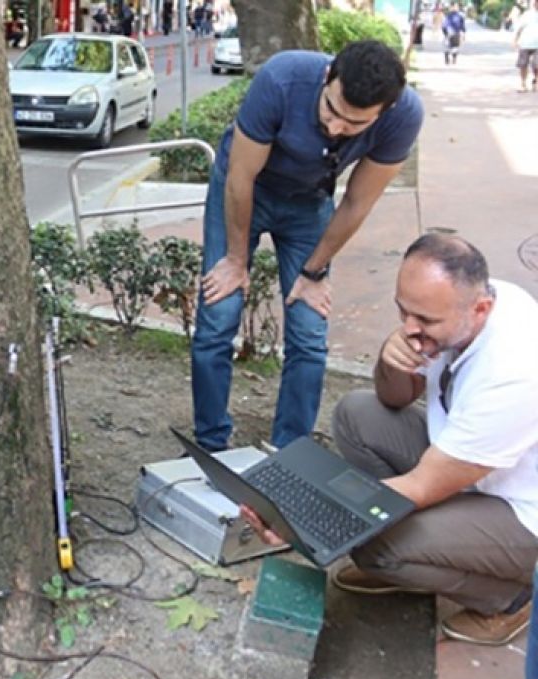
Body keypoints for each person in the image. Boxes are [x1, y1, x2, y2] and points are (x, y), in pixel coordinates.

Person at [242, 233, 538, 646]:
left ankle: (510, 599)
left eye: (425, 322)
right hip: (466, 467)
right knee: (356, 414)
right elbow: (392, 398)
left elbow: (420, 487)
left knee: (375, 547)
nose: (410, 329)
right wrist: (391, 356)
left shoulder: (515, 373)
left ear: (480, 309)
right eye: (404, 312)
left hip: (522, 516)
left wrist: (305, 519)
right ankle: (423, 552)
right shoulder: (467, 305)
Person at [190, 40, 424, 453]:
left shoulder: (403, 116)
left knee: (309, 331)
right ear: (327, 75)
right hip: (247, 187)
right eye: (331, 110)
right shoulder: (282, 78)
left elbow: (356, 201)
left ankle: (289, 452)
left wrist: (314, 272)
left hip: (310, 203)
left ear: (383, 112)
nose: (336, 128)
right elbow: (241, 177)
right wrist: (235, 259)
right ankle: (210, 444)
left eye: (354, 124)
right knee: (219, 313)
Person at [514, 0, 538, 92]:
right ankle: (523, 84)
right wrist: (515, 39)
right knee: (523, 65)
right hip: (525, 43)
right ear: (535, 3)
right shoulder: (527, 14)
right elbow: (519, 27)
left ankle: (535, 82)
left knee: (537, 65)